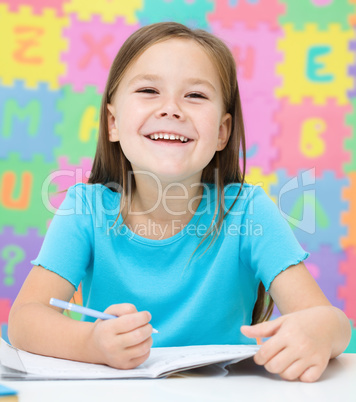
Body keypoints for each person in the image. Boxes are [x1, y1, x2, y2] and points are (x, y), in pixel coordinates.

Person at [8, 22, 351, 382]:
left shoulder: (247, 210)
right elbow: (25, 320)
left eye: (196, 96)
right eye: (149, 90)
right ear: (112, 122)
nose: (171, 109)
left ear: (222, 131)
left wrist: (319, 333)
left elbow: (332, 322)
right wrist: (91, 343)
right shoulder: (85, 209)